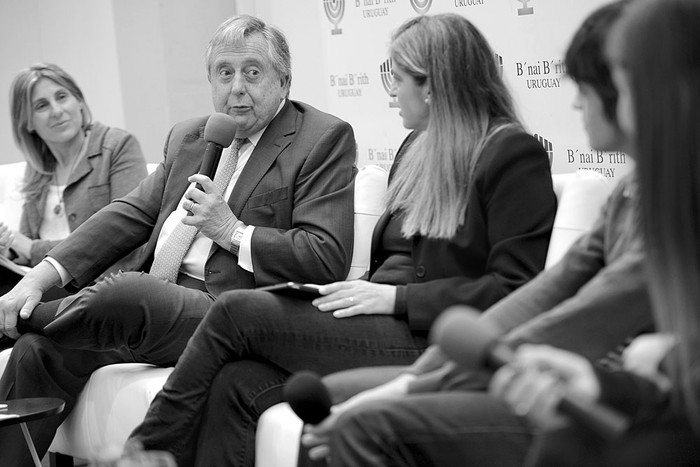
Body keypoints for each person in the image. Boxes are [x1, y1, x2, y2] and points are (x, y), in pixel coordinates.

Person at [123, 12, 557, 467]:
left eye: (398, 76)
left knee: (235, 311)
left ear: (432, 84)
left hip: (433, 336)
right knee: (236, 380)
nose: (390, 93)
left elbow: (516, 288)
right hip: (375, 317)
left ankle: (143, 453)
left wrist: (396, 299)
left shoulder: (510, 153)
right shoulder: (416, 148)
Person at [301, 2, 655, 466]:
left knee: (363, 421)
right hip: (557, 376)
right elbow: (547, 294)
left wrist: (415, 382)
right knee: (332, 403)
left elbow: (584, 312)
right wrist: (412, 381)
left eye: (586, 88)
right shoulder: (629, 190)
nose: (574, 103)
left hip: (626, 399)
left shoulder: (672, 195)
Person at [0, 15, 357, 467]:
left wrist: (231, 231)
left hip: (229, 313)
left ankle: (23, 318)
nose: (237, 88)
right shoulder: (191, 135)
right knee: (37, 352)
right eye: (224, 73)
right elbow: (131, 214)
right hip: (148, 315)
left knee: (132, 290)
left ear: (283, 79)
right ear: (210, 80)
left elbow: (325, 256)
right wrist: (42, 274)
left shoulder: (321, 138)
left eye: (253, 72)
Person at [491, 0, 700, 465]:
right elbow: (553, 290)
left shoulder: (507, 152)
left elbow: (581, 304)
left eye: (624, 85)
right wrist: (605, 383)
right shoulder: (637, 185)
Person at [0, 63, 147, 296]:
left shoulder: (117, 146)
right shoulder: (37, 170)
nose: (56, 111)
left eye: (62, 97)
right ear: (27, 123)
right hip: (47, 292)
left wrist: (31, 249)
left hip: (104, 291)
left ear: (79, 101)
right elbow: (24, 245)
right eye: (41, 106)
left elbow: (125, 235)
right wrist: (7, 249)